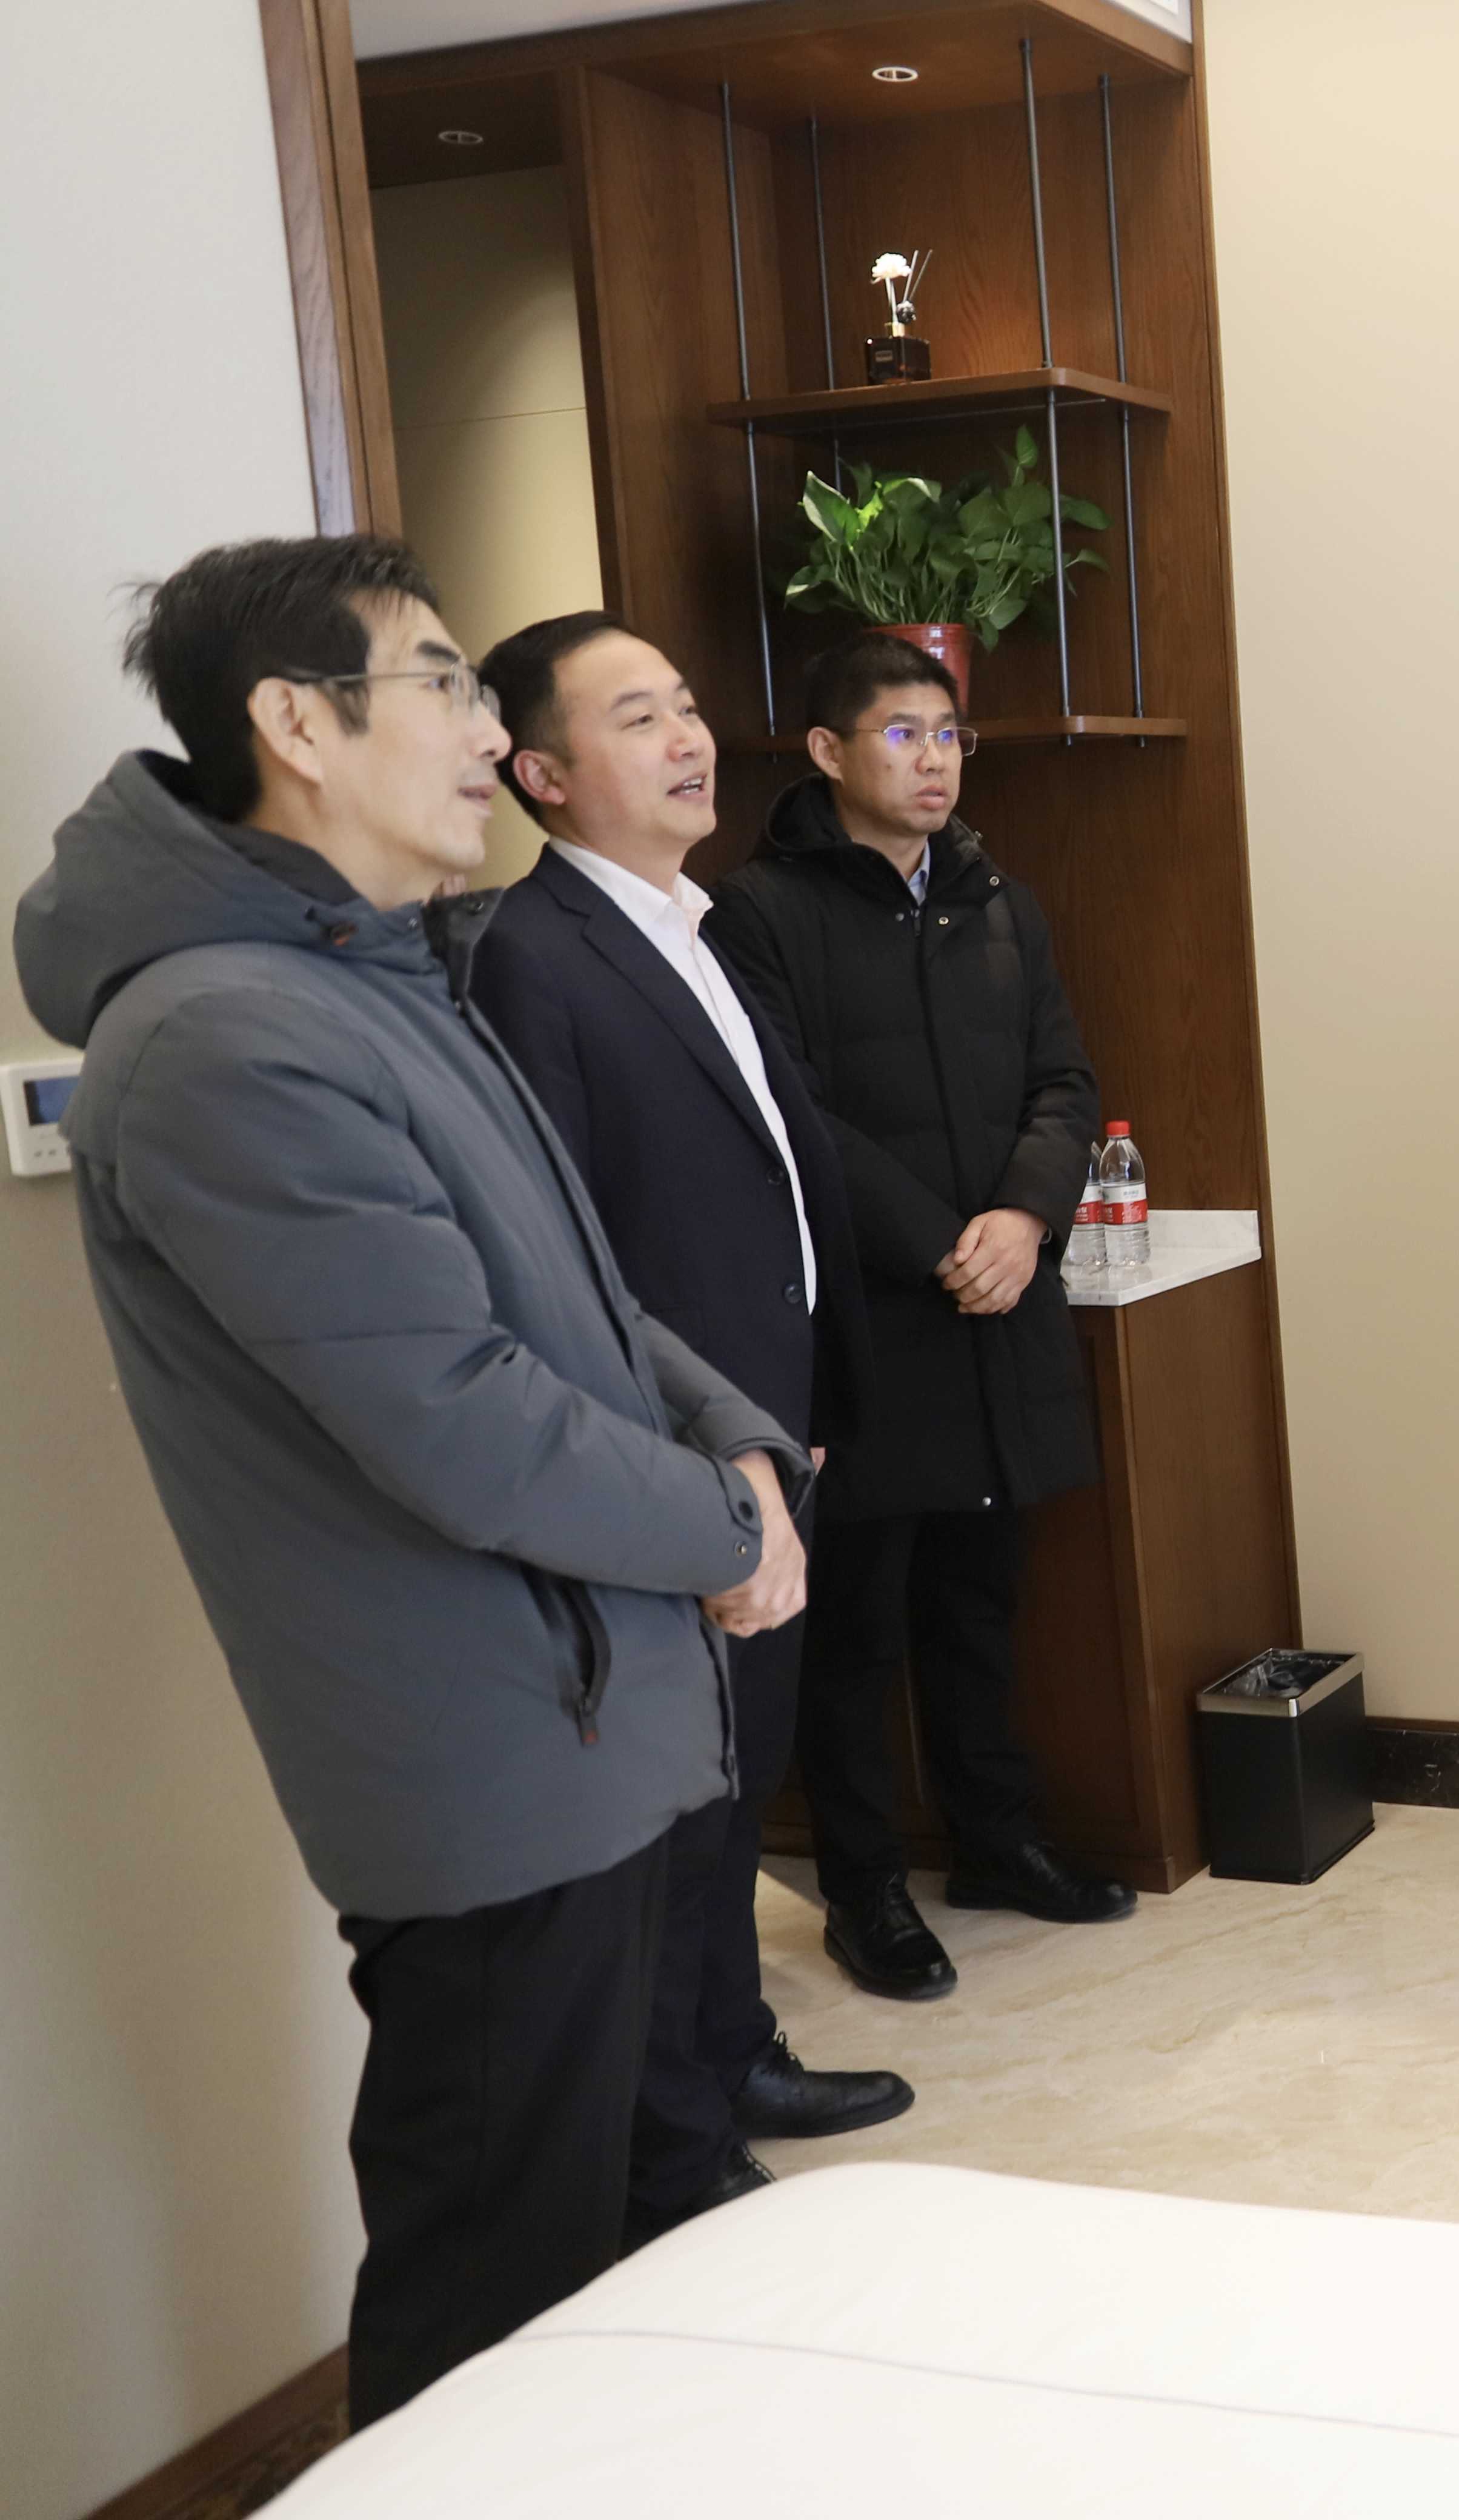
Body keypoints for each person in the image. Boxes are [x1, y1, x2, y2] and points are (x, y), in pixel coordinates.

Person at [13, 537, 811, 2423]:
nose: (480, 727)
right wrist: (723, 1526)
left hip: (594, 1711)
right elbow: (456, 1411)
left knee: (616, 2259)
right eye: (443, 680)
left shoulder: (384, 978)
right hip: (490, 1760)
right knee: (493, 2289)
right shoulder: (226, 1036)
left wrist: (736, 1440)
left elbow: (585, 1301)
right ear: (297, 726)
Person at [470, 611, 914, 2242]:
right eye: (638, 715)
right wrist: (694, 1450)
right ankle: (677, 2131)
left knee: (744, 1774)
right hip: (674, 1459)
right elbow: (564, 1252)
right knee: (677, 1802)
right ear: (540, 773)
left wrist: (805, 1411)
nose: (689, 737)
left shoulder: (691, 925)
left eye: (686, 705)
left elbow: (773, 1178)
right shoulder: (532, 955)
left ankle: (734, 2055)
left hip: (768, 1429)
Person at [705, 632, 1129, 2002]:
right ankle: (866, 1886)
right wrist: (945, 1241)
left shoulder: (999, 899)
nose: (935, 761)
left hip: (998, 1304)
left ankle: (998, 1840)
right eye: (902, 735)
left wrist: (1025, 1219)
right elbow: (791, 1118)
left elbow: (1065, 1081)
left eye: (949, 736)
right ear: (828, 752)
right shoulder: (758, 914)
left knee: (982, 1602)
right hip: (870, 1316)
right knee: (857, 1625)